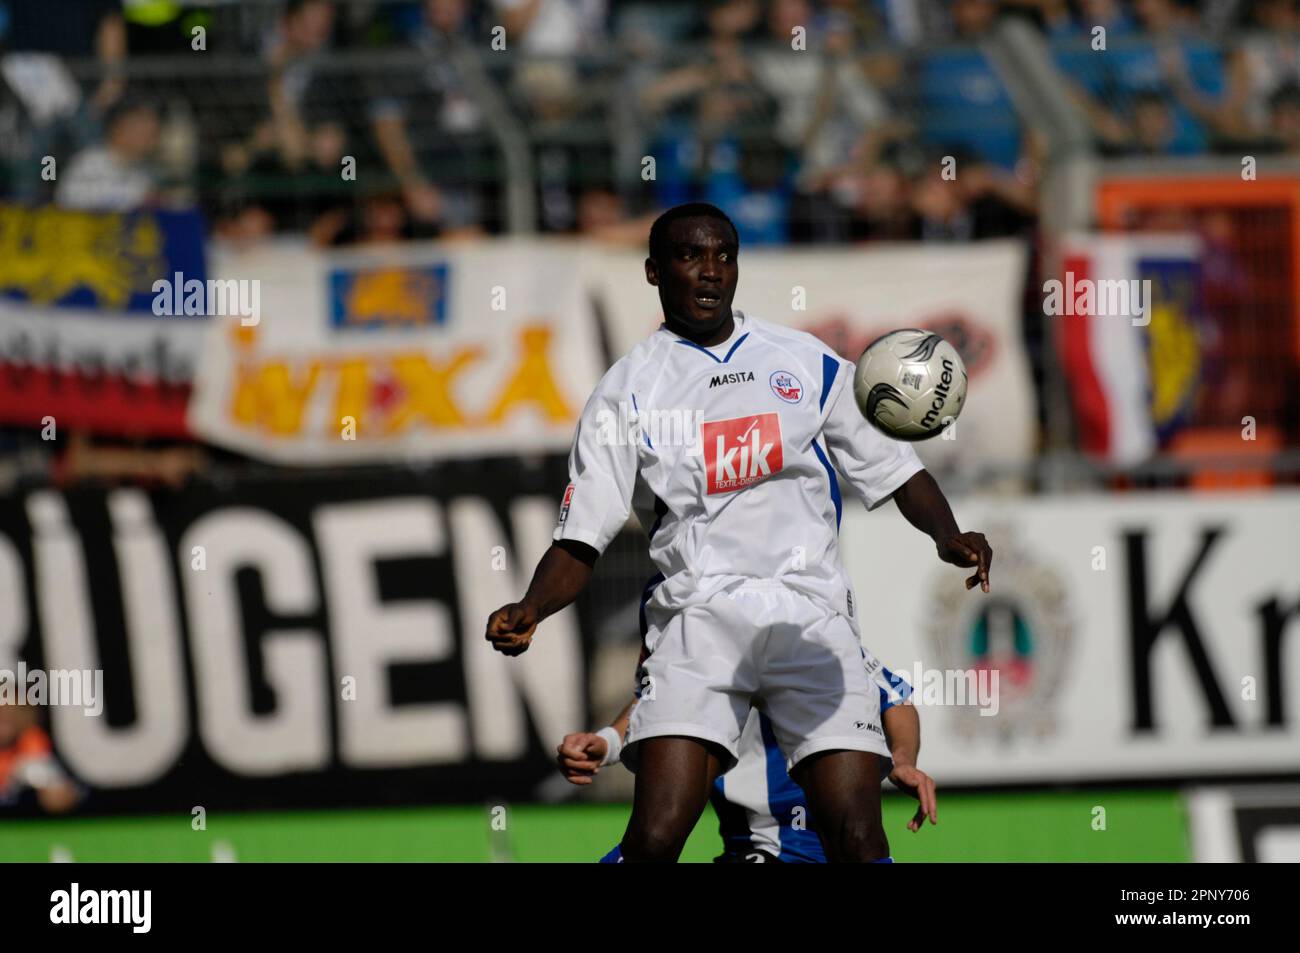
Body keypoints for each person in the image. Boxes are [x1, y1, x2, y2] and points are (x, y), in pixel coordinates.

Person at [485, 202, 991, 863]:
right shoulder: (628, 391)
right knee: (657, 834)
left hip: (809, 616)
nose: (710, 271)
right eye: (690, 256)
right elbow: (583, 535)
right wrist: (532, 607)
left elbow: (896, 470)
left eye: (724, 255)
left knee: (858, 834)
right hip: (700, 619)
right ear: (652, 271)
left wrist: (947, 534)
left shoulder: (806, 361)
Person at [559, 651, 938, 863]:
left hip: (826, 846)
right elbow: (660, 700)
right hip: (750, 849)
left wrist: (903, 760)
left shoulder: (809, 631)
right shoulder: (691, 627)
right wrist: (608, 741)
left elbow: (895, 696)